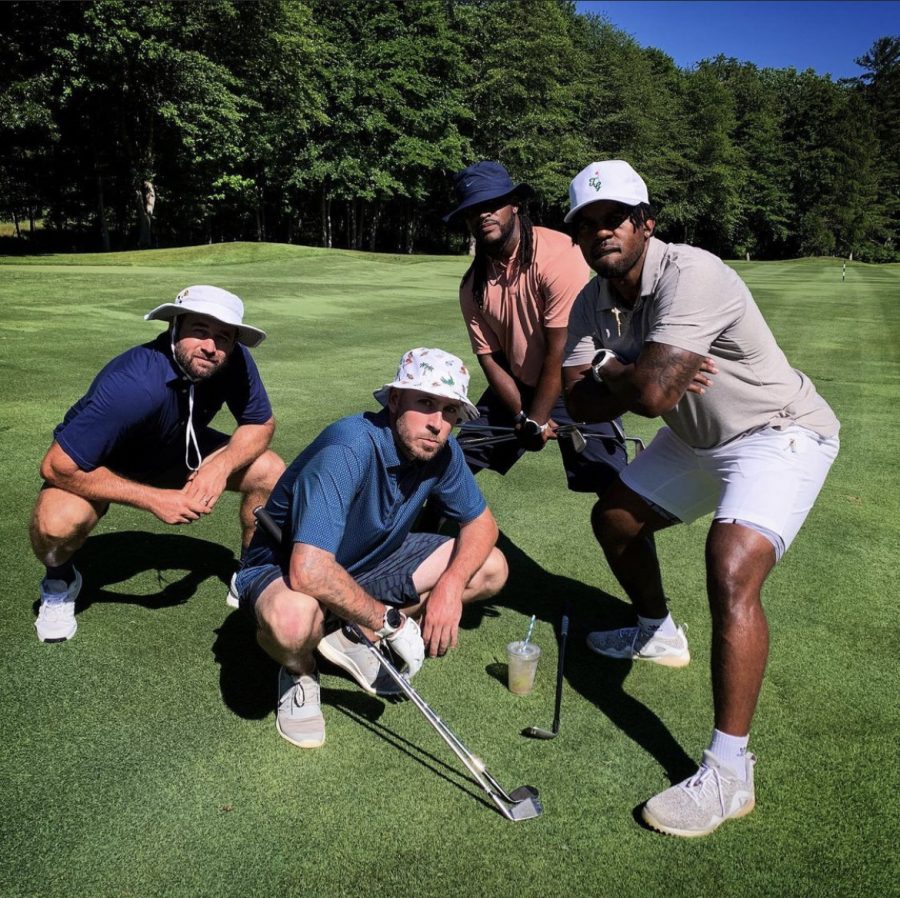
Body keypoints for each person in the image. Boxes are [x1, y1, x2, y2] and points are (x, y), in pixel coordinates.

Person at [561, 160, 840, 837]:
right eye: (588, 224)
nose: (603, 232)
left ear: (646, 223)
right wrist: (626, 369)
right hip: (698, 440)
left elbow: (650, 399)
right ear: (577, 237)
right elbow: (581, 395)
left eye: (616, 218)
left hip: (779, 430)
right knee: (616, 518)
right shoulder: (589, 302)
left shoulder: (695, 273)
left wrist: (614, 372)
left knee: (731, 563)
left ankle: (729, 772)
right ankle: (657, 632)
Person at [233, 347, 508, 749]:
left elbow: (482, 524)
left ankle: (351, 632)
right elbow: (308, 570)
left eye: (449, 411)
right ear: (395, 400)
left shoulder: (442, 453)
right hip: (283, 566)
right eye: (426, 404)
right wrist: (391, 622)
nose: (437, 424)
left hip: (370, 559)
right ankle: (301, 671)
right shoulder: (349, 448)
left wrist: (450, 586)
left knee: (490, 567)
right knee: (292, 624)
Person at [30, 285, 285, 643]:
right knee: (56, 524)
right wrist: (155, 499)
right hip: (104, 465)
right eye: (200, 331)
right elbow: (57, 466)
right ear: (175, 327)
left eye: (223, 336)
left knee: (271, 472)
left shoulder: (233, 359)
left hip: (179, 451)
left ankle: (251, 572)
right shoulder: (133, 384)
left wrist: (220, 466)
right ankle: (59, 578)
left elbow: (260, 423)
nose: (211, 346)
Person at [440, 160, 627, 500]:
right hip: (516, 386)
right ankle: (417, 544)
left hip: (577, 381)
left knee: (614, 488)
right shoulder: (472, 285)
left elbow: (563, 347)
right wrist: (521, 415)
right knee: (450, 467)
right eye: (473, 210)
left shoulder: (559, 254)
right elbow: (491, 359)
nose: (483, 214)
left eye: (492, 203)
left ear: (515, 205)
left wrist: (537, 420)